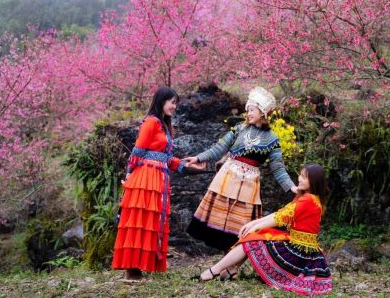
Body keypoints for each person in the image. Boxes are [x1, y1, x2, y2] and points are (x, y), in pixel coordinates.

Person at [184, 86, 297, 251]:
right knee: (220, 220)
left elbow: (278, 169)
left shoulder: (272, 140)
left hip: (248, 185)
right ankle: (224, 262)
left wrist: (291, 187)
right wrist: (198, 157)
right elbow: (219, 148)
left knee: (239, 225)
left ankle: (231, 264)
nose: (248, 113)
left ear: (263, 112)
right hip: (227, 179)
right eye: (248, 110)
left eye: (252, 110)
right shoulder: (239, 129)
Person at [198, 163, 332, 296]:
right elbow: (280, 213)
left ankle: (214, 271)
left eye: (304, 177)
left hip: (300, 252)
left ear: (314, 181)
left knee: (253, 237)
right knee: (257, 234)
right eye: (301, 176)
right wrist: (254, 223)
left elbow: (280, 217)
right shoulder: (310, 198)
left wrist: (254, 226)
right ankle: (230, 270)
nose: (299, 179)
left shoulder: (308, 199)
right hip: (302, 247)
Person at [111, 86, 188, 280]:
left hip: (158, 178)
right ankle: (131, 269)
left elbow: (167, 159)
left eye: (176, 103)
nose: (174, 106)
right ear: (161, 101)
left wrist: (187, 165)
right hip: (145, 177)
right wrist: (129, 174)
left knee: (150, 222)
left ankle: (141, 265)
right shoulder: (151, 122)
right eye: (172, 102)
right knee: (139, 221)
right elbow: (137, 151)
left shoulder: (165, 126)